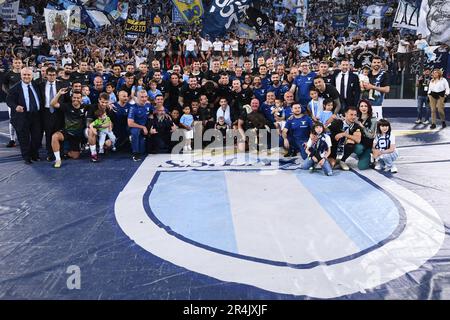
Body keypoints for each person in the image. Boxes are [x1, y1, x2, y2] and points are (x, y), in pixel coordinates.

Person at [6, 67, 43, 164]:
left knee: (37, 137)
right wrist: (16, 106)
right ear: (21, 75)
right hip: (22, 117)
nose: (26, 76)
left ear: (32, 76)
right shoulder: (14, 88)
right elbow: (9, 101)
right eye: (24, 75)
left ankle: (34, 154)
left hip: (36, 116)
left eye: (28, 75)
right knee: (24, 138)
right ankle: (27, 157)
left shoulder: (36, 85)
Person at [49, 90, 85, 168]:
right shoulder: (67, 106)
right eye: (74, 98)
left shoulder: (85, 107)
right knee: (54, 136)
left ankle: (63, 151)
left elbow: (98, 106)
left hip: (77, 135)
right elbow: (52, 104)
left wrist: (109, 104)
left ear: (82, 99)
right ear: (72, 98)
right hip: (66, 132)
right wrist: (59, 94)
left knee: (75, 156)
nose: (76, 99)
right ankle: (58, 159)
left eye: (78, 98)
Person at [38, 66, 64, 161]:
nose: (52, 77)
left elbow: (64, 99)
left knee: (58, 133)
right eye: (50, 75)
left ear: (56, 75)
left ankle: (60, 153)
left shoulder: (61, 85)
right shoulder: (41, 85)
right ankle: (50, 153)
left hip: (59, 112)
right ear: (46, 75)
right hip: (46, 112)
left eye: (54, 75)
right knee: (48, 134)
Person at [328, 106, 362, 171]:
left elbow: (358, 140)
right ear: (346, 114)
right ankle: (332, 158)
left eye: (355, 115)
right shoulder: (337, 122)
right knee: (332, 165)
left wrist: (344, 134)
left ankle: (342, 160)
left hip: (345, 146)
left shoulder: (356, 126)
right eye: (351, 114)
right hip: (334, 147)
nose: (353, 117)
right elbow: (324, 129)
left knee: (351, 141)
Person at [2, 58, 23, 148]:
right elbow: (4, 86)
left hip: (24, 100)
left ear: (22, 64)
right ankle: (12, 139)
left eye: (19, 62)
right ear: (13, 64)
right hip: (13, 102)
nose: (17, 64)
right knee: (12, 120)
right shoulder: (8, 74)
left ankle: (23, 138)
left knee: (25, 119)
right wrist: (10, 94)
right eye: (16, 63)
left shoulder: (24, 73)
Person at [128, 90, 153, 161]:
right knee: (135, 132)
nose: (144, 99)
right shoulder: (133, 108)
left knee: (142, 151)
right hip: (135, 127)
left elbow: (153, 112)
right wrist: (143, 127)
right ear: (137, 98)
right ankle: (135, 154)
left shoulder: (148, 105)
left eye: (145, 97)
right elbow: (130, 123)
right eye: (142, 97)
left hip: (144, 127)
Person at [354, 100, 377, 170]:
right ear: (359, 108)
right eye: (361, 106)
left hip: (368, 144)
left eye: (365, 106)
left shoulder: (373, 120)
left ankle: (370, 157)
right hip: (359, 144)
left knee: (362, 167)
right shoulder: (356, 119)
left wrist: (362, 127)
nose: (363, 108)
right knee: (358, 148)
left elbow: (371, 135)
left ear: (368, 107)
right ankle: (361, 156)